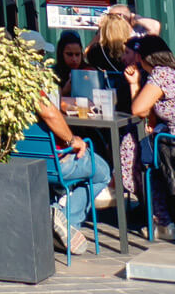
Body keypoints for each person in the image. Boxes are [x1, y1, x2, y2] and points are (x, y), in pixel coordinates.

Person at [118, 36, 175, 229]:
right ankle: (160, 215)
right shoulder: (172, 72)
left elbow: (138, 109)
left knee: (131, 145)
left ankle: (160, 218)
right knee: (140, 147)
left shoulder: (161, 75)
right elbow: (148, 112)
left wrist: (134, 84)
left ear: (141, 57)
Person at [33, 83, 112, 253]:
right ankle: (67, 220)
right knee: (103, 173)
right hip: (57, 163)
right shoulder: (28, 88)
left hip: (24, 164)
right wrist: (72, 140)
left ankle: (62, 225)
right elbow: (49, 113)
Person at [85, 9, 136, 112]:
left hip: (104, 100)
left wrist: (99, 34)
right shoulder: (130, 51)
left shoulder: (96, 51)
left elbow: (85, 55)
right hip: (129, 97)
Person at [54, 29, 86, 96]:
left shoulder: (88, 71)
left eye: (77, 54)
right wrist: (65, 91)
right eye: (69, 54)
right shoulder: (54, 74)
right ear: (61, 54)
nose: (74, 59)